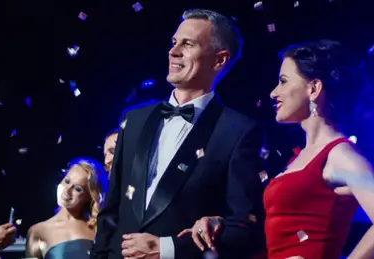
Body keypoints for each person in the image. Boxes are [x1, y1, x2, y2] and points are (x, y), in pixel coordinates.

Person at [180, 40, 374, 259]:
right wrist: (223, 224)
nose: (273, 93)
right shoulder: (301, 156)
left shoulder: (340, 155)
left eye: (283, 81)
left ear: (314, 88)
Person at [91, 8, 266, 259]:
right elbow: (111, 211)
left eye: (188, 44)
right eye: (174, 42)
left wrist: (168, 249)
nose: (173, 51)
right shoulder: (134, 118)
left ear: (219, 60)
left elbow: (245, 228)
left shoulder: (238, 132)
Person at [25, 158, 106, 259]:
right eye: (67, 181)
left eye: (77, 188)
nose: (68, 189)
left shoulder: (99, 229)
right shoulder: (38, 231)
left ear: (89, 196)